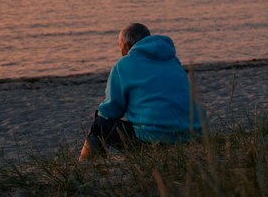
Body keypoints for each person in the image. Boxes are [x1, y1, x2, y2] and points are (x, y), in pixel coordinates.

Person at [80, 22, 202, 159]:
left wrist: (101, 114)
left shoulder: (124, 64)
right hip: (193, 135)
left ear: (126, 46)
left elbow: (111, 110)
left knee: (100, 125)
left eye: (120, 47)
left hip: (155, 140)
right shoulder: (172, 60)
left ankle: (87, 166)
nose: (120, 52)